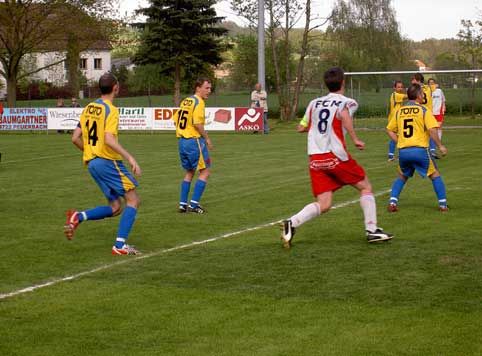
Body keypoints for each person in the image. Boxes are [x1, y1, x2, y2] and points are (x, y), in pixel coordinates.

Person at [280, 67, 393, 248]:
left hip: (315, 159)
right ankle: (372, 231)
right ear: (343, 83)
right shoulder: (347, 102)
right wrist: (355, 138)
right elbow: (345, 116)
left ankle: (291, 223)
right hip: (335, 156)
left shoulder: (313, 103)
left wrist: (316, 128)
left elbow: (301, 128)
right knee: (365, 187)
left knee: (324, 204)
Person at [64, 72, 142, 255]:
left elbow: (75, 138)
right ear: (116, 87)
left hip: (93, 164)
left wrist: (92, 152)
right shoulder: (111, 110)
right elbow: (108, 139)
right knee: (133, 200)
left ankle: (78, 216)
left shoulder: (89, 108)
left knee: (115, 208)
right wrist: (130, 157)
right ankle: (120, 245)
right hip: (108, 162)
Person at [386, 83, 448, 212]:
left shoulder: (399, 111)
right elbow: (432, 130)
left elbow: (389, 130)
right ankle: (443, 205)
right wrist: (440, 146)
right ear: (419, 95)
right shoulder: (424, 110)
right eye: (422, 93)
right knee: (435, 175)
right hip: (420, 150)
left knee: (402, 176)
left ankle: (392, 202)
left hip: (403, 151)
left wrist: (400, 142)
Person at [174, 77, 213, 214]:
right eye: (206, 88)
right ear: (198, 88)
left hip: (182, 141)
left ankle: (182, 204)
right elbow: (197, 124)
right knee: (205, 171)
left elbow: (176, 120)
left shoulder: (186, 100)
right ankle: (194, 204)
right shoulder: (199, 102)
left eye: (210, 88)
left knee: (190, 171)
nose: (209, 91)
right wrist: (207, 138)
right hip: (193, 141)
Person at [411, 73, 438, 158]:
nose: (412, 81)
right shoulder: (429, 87)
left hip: (419, 113)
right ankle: (432, 150)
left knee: (419, 132)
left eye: (413, 79)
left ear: (418, 80)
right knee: (431, 131)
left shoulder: (415, 90)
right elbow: (435, 86)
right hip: (429, 113)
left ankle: (421, 150)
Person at [387, 80, 407, 161]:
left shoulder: (398, 95)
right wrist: (416, 91)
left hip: (396, 118)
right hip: (394, 119)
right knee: (397, 137)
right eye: (398, 87)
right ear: (394, 88)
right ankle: (394, 155)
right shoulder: (395, 95)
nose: (400, 88)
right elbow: (408, 96)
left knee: (395, 137)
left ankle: (391, 155)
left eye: (401, 87)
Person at [427, 78, 446, 142]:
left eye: (433, 83)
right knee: (431, 128)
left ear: (435, 83)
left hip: (438, 111)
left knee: (439, 127)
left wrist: (443, 108)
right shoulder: (427, 92)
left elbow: (443, 100)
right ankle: (431, 141)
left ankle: (438, 140)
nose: (431, 84)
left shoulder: (439, 91)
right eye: (430, 83)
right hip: (430, 112)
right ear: (428, 84)